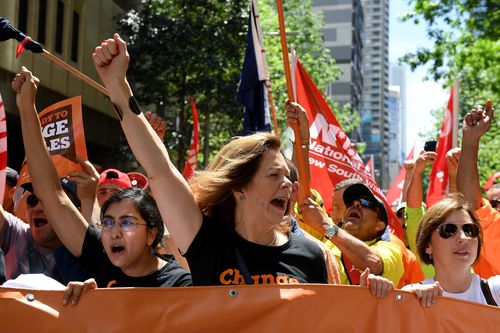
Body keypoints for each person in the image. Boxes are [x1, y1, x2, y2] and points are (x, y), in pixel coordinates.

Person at [90, 34, 396, 296]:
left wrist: (371, 298)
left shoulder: (311, 256)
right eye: (274, 175)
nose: (289, 185)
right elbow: (158, 167)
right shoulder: (204, 240)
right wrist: (118, 85)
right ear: (239, 187)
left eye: (288, 178)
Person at [12, 66, 191, 289]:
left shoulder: (181, 284)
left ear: (151, 234)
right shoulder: (101, 262)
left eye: (127, 222)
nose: (114, 232)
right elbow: (50, 193)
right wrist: (26, 107)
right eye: (107, 222)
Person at [403, 193, 499, 307]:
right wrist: (406, 299)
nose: (463, 238)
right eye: (448, 230)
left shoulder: (495, 291)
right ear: (427, 245)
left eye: (469, 230)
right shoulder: (411, 297)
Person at [456, 100, 500, 278]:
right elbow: (471, 203)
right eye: (493, 202)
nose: (497, 206)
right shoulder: (493, 230)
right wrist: (470, 140)